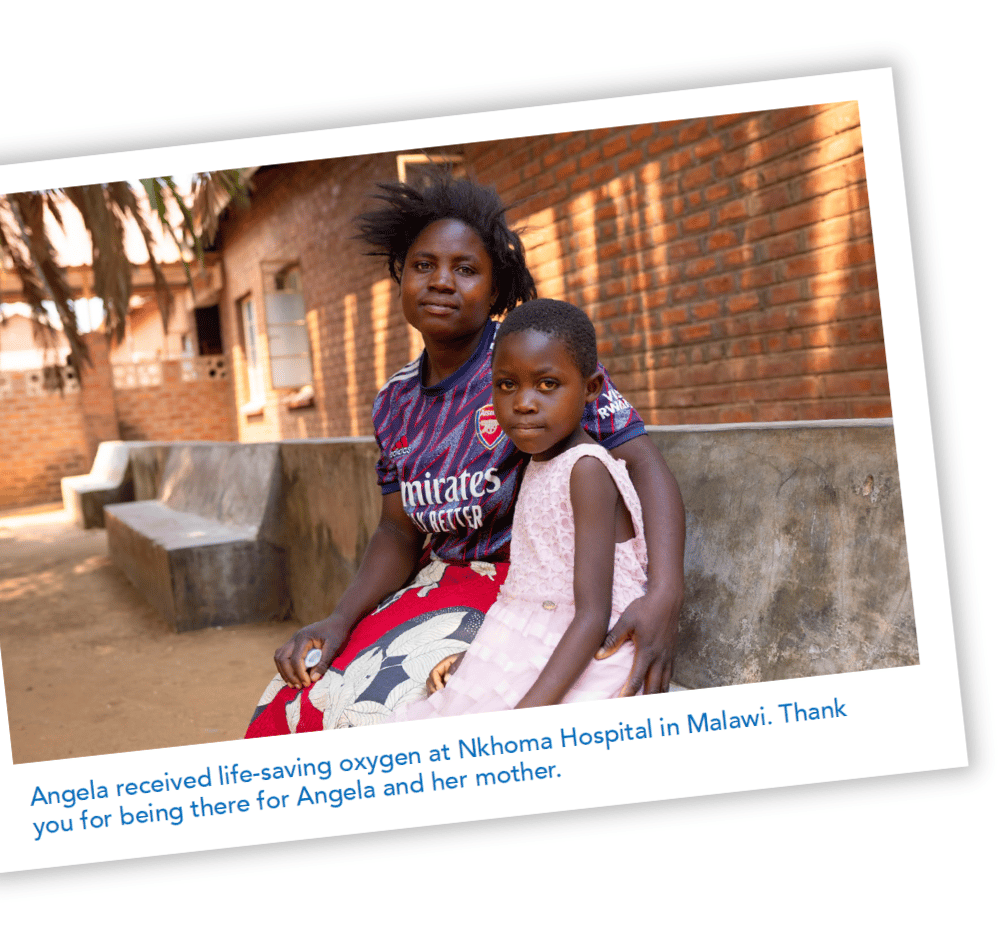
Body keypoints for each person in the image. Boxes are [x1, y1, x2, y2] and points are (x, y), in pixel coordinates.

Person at [245, 175, 684, 736]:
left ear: (496, 286)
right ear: (400, 275)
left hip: (522, 593)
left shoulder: (533, 361)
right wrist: (339, 618)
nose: (442, 282)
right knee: (296, 696)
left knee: (377, 711)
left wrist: (666, 594)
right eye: (423, 265)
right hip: (435, 584)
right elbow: (398, 532)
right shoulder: (394, 403)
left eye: (467, 269)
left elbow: (644, 464)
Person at [392, 298, 646, 720]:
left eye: (547, 384)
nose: (524, 403)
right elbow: (533, 595)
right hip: (536, 639)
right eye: (507, 385)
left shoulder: (586, 470)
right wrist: (481, 662)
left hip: (590, 655)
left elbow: (592, 617)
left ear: (591, 388)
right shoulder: (538, 460)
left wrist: (523, 718)